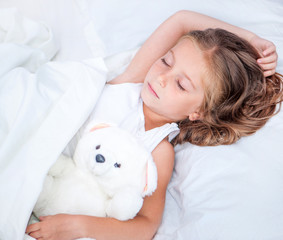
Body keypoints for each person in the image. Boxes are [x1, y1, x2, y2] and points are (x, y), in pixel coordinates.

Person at [26, 10, 283, 240]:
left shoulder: (158, 150)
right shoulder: (130, 82)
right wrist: (250, 40)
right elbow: (182, 20)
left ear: (198, 112)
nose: (161, 78)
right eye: (166, 61)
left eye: (181, 84)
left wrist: (79, 227)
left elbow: (145, 226)